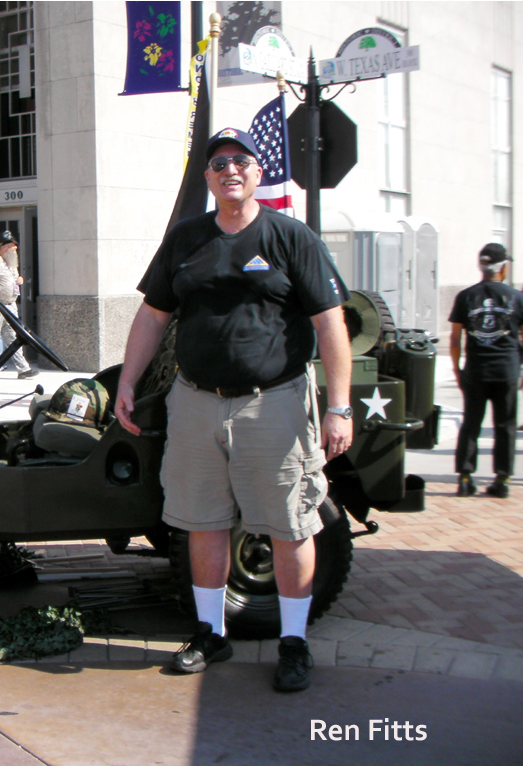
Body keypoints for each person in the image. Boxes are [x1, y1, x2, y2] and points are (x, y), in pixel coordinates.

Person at [114, 128, 353, 693]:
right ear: (209, 178)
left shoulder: (291, 237)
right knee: (203, 521)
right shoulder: (187, 239)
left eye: (240, 161)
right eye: (219, 163)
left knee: (290, 525)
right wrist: (128, 381)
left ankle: (293, 642)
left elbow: (330, 324)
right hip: (195, 402)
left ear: (257, 171)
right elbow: (153, 316)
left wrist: (339, 407)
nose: (230, 171)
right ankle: (210, 633)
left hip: (274, 405)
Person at [448, 243, 523, 498]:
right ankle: (502, 478)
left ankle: (465, 476)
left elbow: (455, 337)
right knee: (505, 425)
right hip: (506, 370)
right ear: (503, 267)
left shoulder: (466, 296)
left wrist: (458, 369)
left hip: (476, 369)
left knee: (471, 423)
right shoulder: (517, 297)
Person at [0, 230, 37, 379]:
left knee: (14, 337)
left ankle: (23, 368)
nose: (15, 248)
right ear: (3, 247)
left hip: (10, 304)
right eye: (12, 245)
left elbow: (13, 279)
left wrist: (19, 281)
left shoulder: (11, 263)